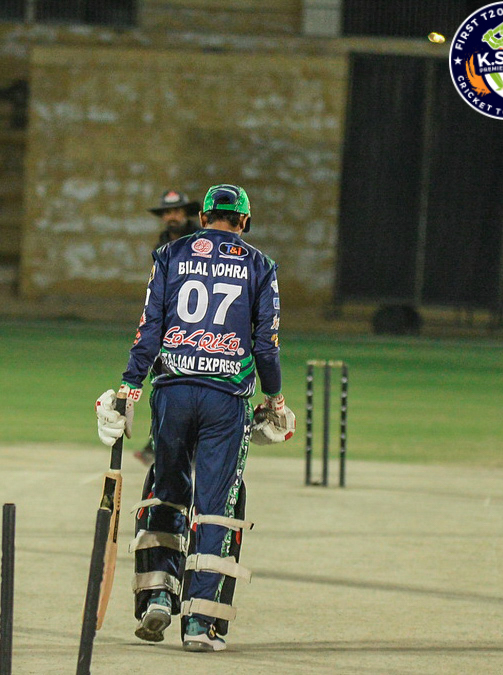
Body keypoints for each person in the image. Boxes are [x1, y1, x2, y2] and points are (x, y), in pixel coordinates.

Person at [95, 184, 295, 651]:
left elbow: (150, 328)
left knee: (166, 489)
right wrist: (275, 400)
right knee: (218, 505)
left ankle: (158, 594)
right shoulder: (260, 265)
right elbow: (266, 345)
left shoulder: (169, 255)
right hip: (226, 398)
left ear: (202, 217)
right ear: (244, 222)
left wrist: (128, 388)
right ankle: (200, 624)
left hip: (173, 391)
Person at [134, 190, 202, 467]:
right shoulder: (163, 243)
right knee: (164, 383)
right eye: (167, 212)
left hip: (200, 325)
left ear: (186, 213)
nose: (172, 216)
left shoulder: (200, 240)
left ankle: (193, 448)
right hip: (170, 322)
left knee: (195, 385)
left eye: (176, 211)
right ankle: (159, 444)